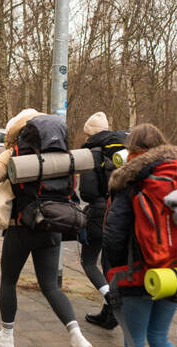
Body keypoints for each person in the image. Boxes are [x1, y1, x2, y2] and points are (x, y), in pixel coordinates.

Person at [0, 109, 94, 347]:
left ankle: (6, 335)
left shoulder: (17, 151)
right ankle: (77, 337)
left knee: (8, 279)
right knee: (51, 286)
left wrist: (3, 165)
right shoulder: (63, 155)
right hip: (52, 225)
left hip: (22, 227)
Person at [102, 123, 177, 347]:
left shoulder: (130, 178)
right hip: (175, 272)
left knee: (135, 346)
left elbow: (114, 235)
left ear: (133, 148)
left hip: (138, 274)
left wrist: (115, 270)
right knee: (159, 337)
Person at [77, 112, 124, 330]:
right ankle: (109, 314)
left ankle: (112, 299)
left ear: (90, 134)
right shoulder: (121, 149)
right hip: (121, 212)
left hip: (99, 212)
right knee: (109, 264)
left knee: (88, 261)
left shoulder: (92, 153)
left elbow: (87, 192)